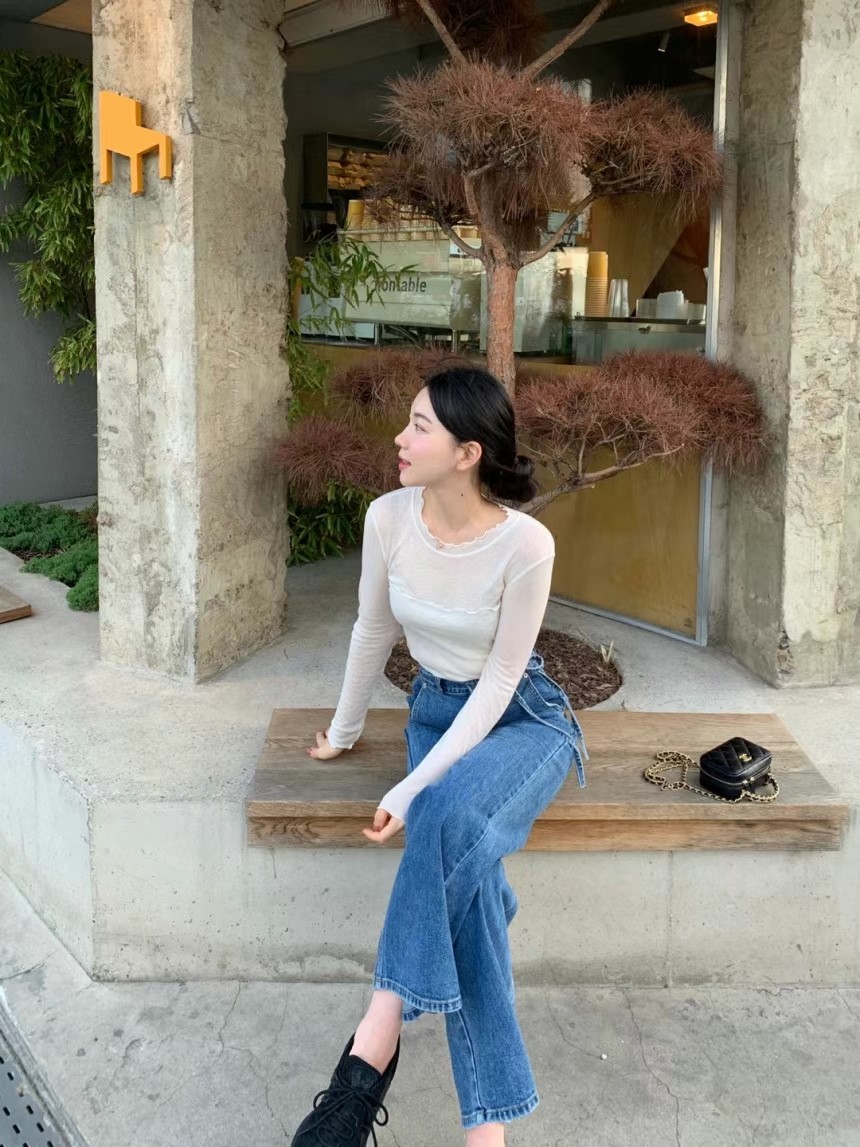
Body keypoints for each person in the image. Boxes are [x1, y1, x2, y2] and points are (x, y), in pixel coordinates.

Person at [291, 364, 587, 1147]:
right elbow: (372, 630)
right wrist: (344, 731)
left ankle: (373, 1039)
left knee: (443, 815)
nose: (400, 436)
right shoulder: (388, 519)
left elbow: (499, 683)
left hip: (523, 723)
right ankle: (486, 1135)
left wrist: (411, 785)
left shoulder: (527, 544)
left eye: (420, 425)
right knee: (471, 881)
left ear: (467, 452)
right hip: (434, 712)